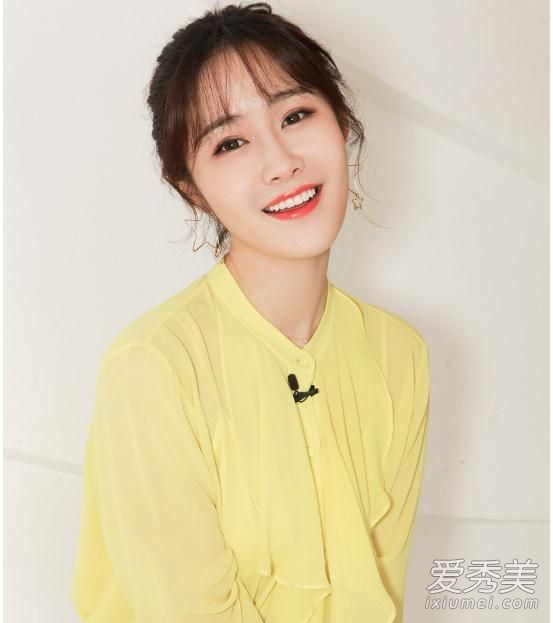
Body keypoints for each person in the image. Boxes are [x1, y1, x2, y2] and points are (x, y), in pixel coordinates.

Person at [71, 3, 431, 622]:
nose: (282, 161)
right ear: (191, 188)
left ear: (342, 121)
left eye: (296, 115)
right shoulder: (153, 368)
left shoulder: (400, 356)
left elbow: (383, 597)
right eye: (231, 142)